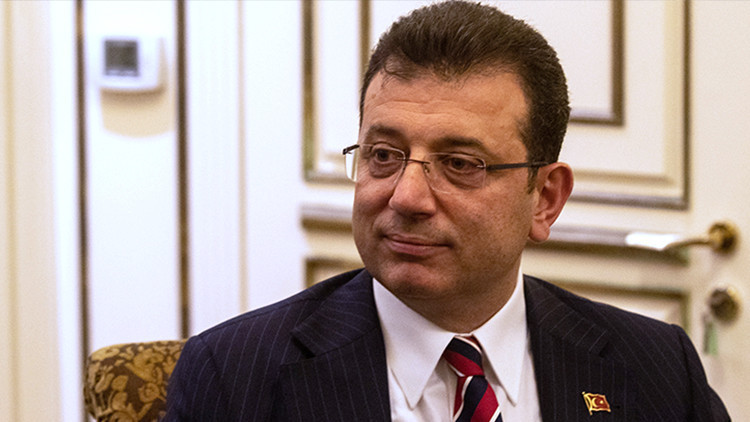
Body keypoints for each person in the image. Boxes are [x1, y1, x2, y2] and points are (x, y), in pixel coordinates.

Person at [165, 1, 729, 420]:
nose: (406, 197)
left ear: (546, 198)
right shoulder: (235, 377)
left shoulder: (655, 367)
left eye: (460, 164)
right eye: (383, 156)